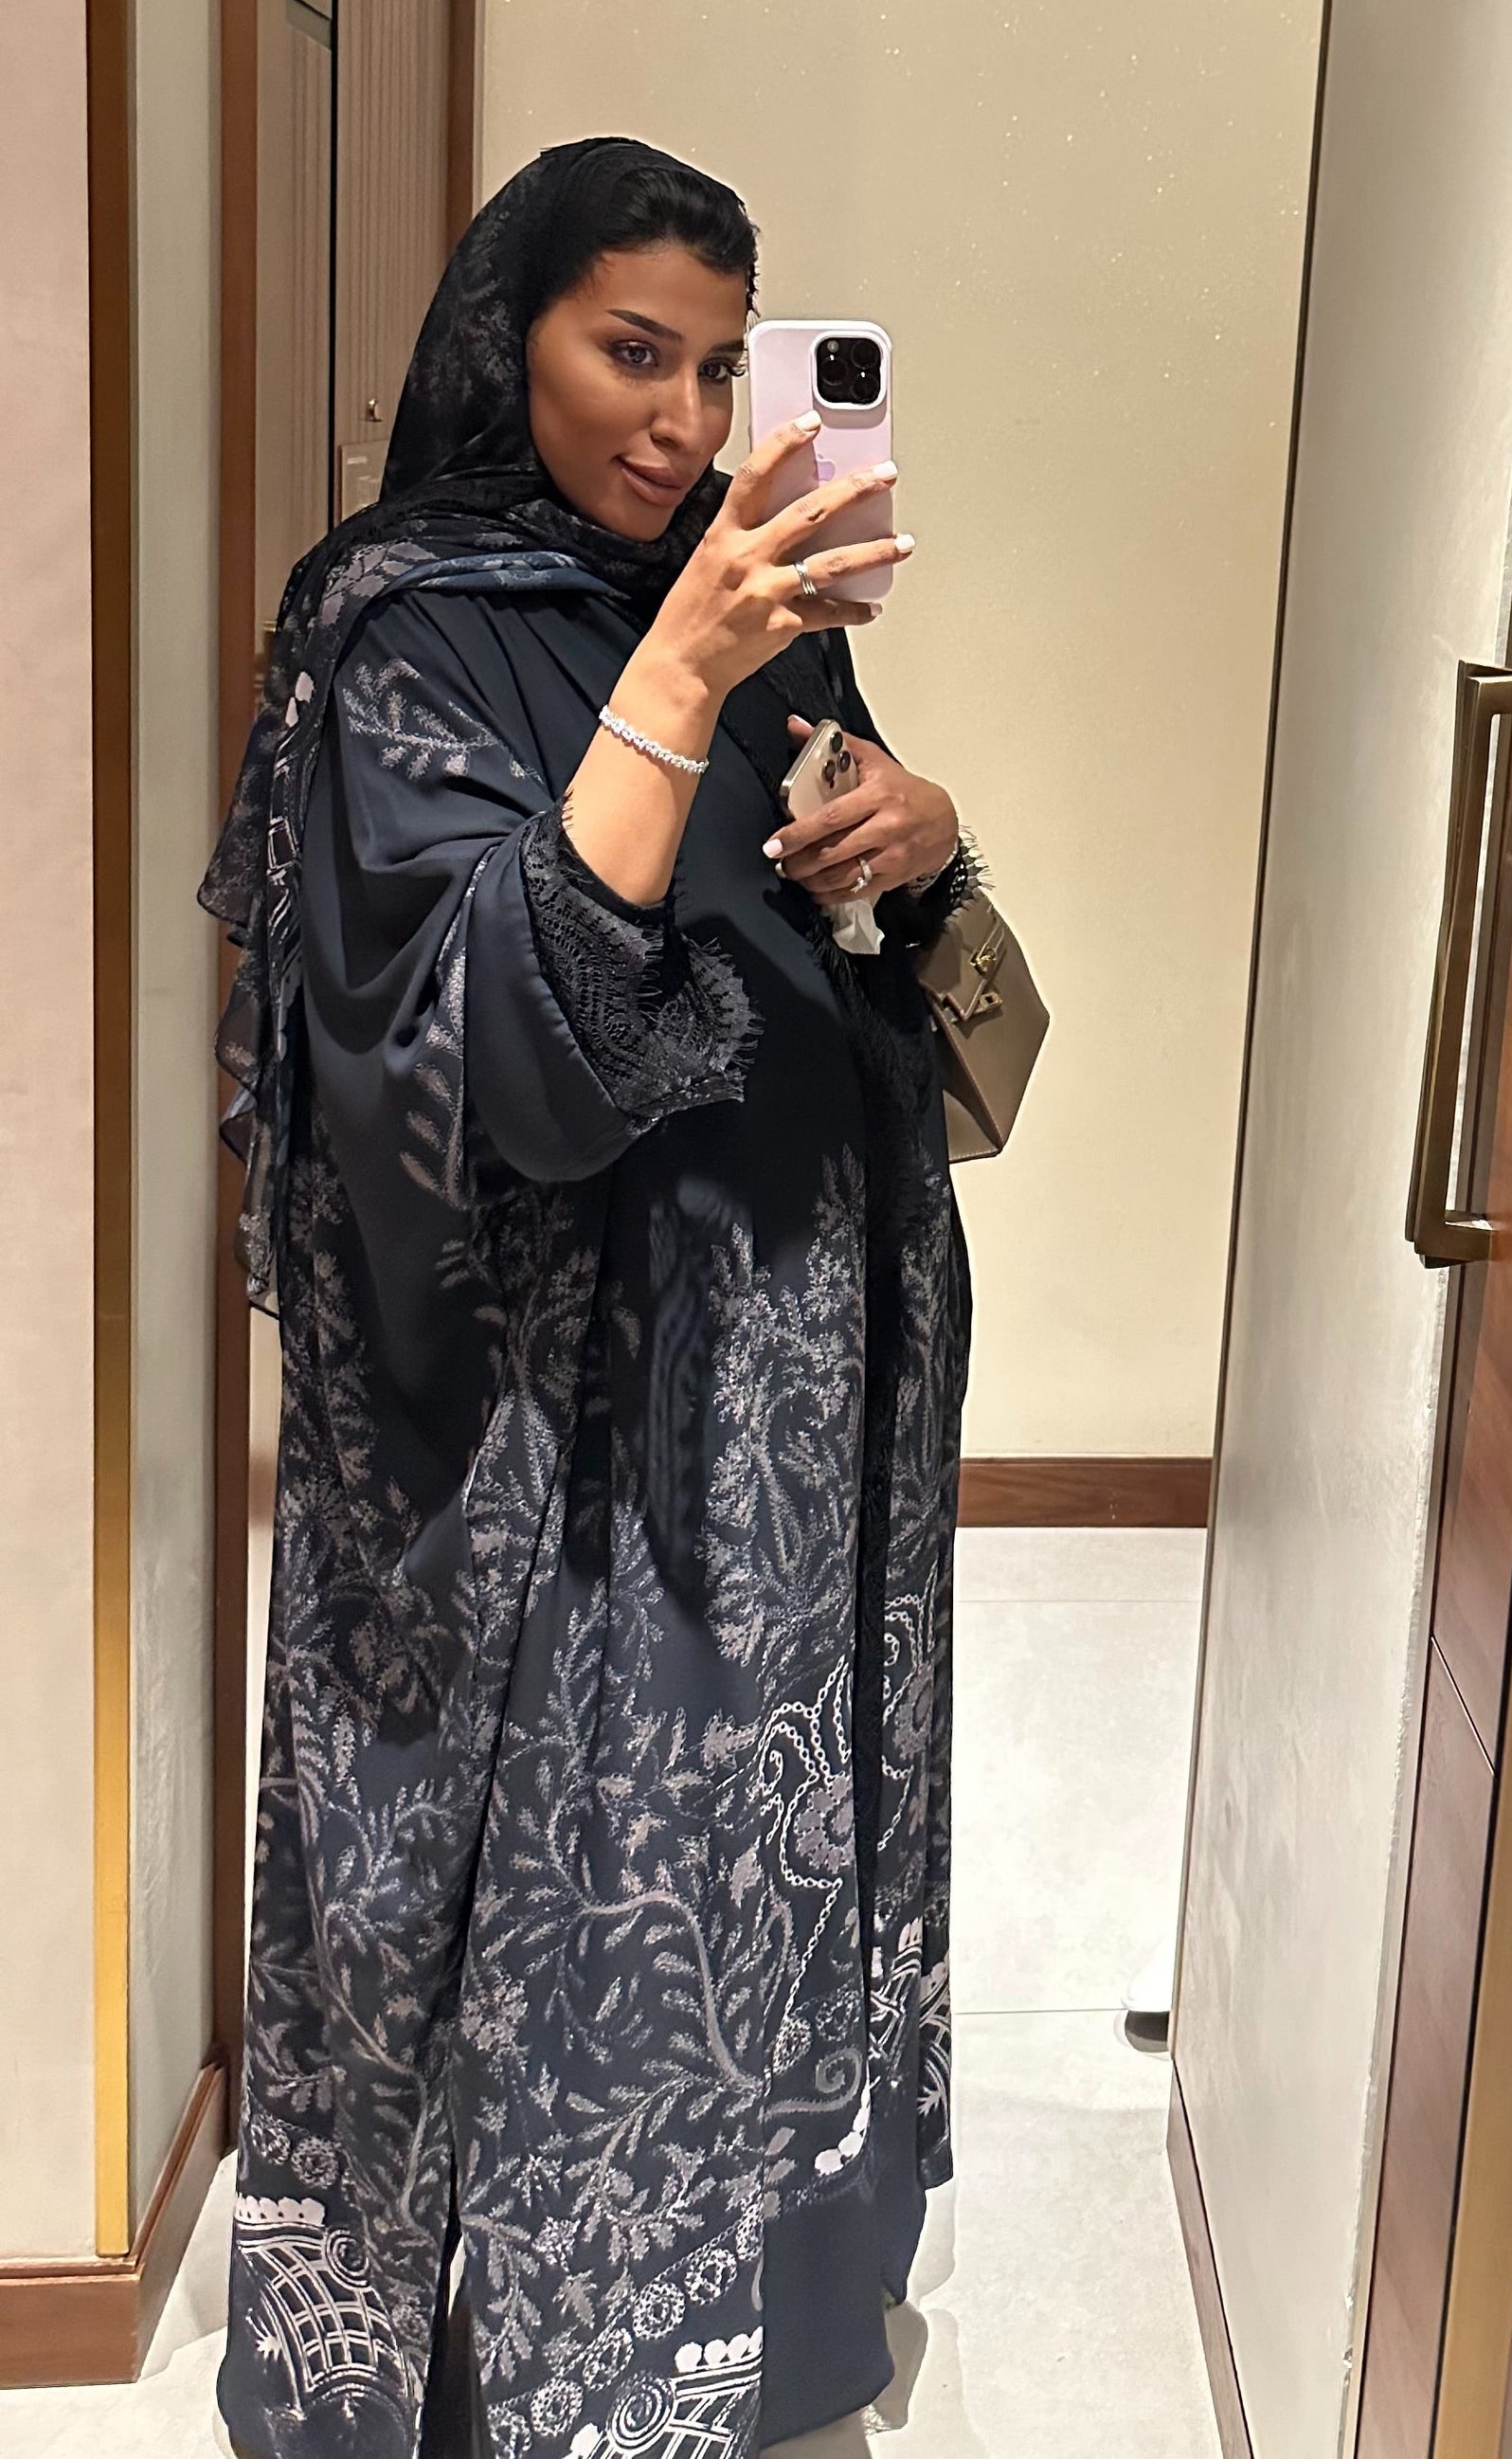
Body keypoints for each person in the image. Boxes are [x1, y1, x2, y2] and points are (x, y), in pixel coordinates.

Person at [201, 135, 978, 2459]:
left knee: (746, 1855)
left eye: (720, 366)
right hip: (541, 1446)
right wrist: (684, 665)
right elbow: (491, 1063)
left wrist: (915, 833)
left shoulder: (756, 610)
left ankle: (758, 2324)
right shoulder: (396, 632)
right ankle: (490, 2369)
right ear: (504, 338)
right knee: (545, 1889)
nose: (682, 418)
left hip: (780, 1408)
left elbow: (843, 953)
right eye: (631, 350)